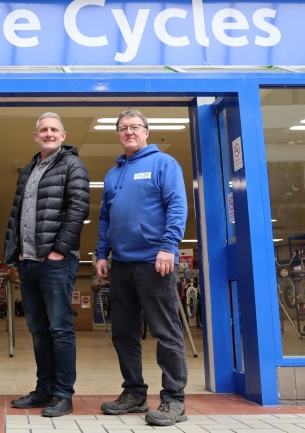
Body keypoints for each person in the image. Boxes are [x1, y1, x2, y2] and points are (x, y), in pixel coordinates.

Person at [94, 109, 189, 427]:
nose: (129, 132)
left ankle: (174, 400)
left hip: (155, 262)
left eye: (135, 127)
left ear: (147, 131)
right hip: (121, 265)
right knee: (123, 333)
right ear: (118, 135)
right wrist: (101, 254)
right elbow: (105, 218)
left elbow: (177, 204)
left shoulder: (164, 163)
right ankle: (134, 392)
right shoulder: (113, 173)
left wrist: (168, 247)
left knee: (166, 332)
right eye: (123, 128)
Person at [4, 112, 90, 418]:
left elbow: (78, 209)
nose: (49, 133)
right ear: (35, 135)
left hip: (55, 262)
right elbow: (16, 214)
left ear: (63, 136)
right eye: (44, 129)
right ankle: (44, 389)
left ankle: (63, 393)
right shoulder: (28, 169)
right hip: (27, 263)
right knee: (38, 329)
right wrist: (13, 254)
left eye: (54, 129)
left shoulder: (71, 165)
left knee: (60, 329)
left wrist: (58, 251)